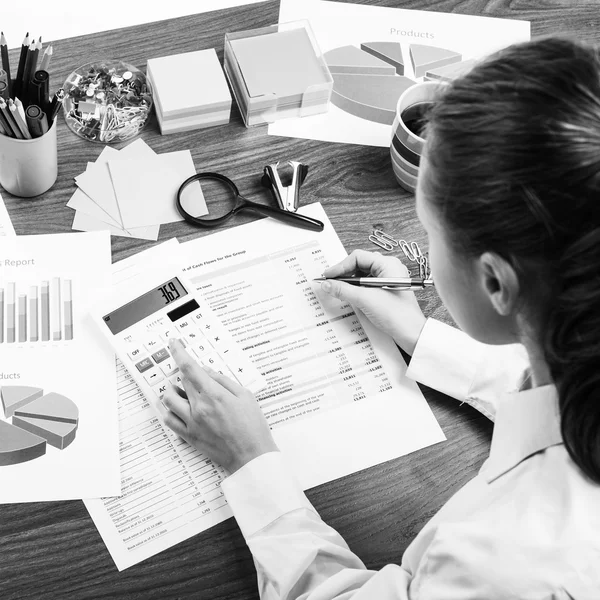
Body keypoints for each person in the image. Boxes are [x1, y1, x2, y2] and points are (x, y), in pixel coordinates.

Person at [159, 35, 600, 598]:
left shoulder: (508, 566)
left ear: (495, 281)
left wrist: (250, 462)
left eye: (431, 235)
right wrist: (421, 337)